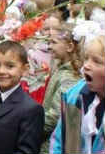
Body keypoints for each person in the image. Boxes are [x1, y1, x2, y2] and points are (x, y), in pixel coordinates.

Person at [0, 41, 45, 154]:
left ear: (24, 70)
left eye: (10, 66)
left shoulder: (31, 109)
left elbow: (27, 151)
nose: (1, 71)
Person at [50, 35, 105, 154]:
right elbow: (64, 141)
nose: (86, 65)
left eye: (97, 61)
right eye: (86, 58)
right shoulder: (76, 95)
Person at [40, 25, 81, 153]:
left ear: (69, 47)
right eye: (48, 42)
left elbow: (57, 115)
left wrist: (31, 127)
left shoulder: (70, 77)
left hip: (51, 144)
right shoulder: (61, 68)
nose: (49, 47)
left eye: (54, 42)